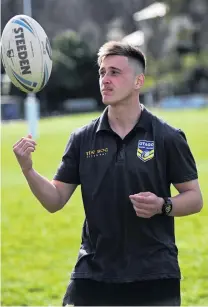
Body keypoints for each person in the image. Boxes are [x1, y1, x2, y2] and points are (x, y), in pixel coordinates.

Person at [13, 41, 203, 306]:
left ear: (138, 81)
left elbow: (194, 198)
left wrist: (163, 205)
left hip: (154, 275)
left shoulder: (167, 136)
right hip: (93, 274)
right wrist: (28, 169)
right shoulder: (82, 139)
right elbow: (55, 200)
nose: (105, 79)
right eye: (102, 72)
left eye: (115, 72)